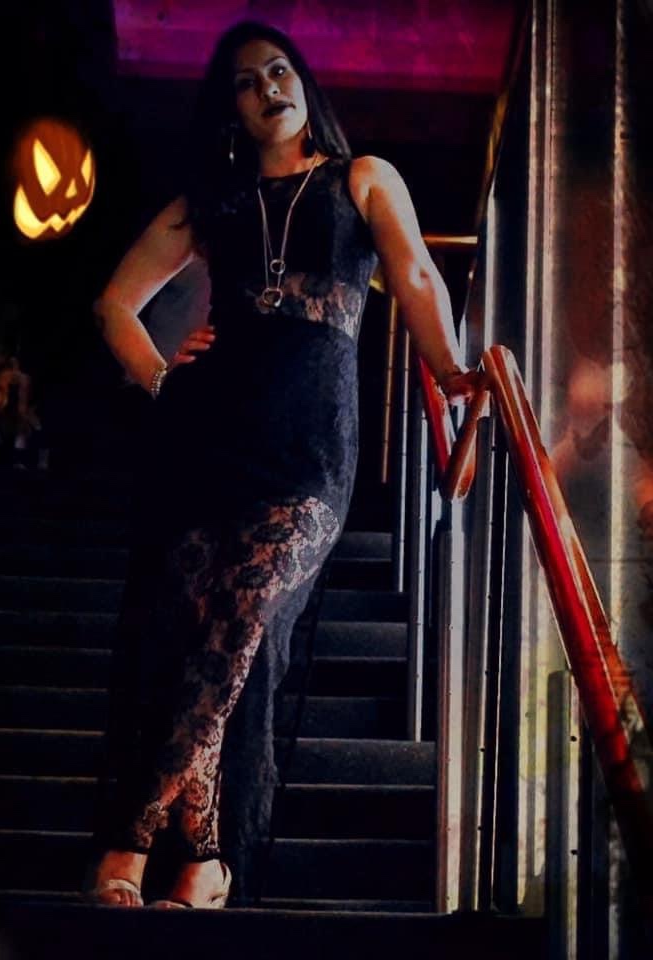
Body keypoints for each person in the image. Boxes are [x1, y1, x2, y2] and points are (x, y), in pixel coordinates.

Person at [84, 19, 474, 910]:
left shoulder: (362, 177)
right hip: (207, 440)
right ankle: (204, 861)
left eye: (280, 70)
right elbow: (114, 304)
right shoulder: (209, 202)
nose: (269, 89)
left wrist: (451, 372)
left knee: (246, 617)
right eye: (247, 81)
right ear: (230, 109)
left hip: (310, 448)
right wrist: (160, 375)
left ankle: (129, 839)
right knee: (200, 636)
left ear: (304, 83)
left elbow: (416, 276)